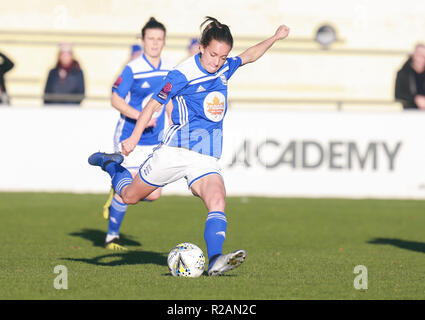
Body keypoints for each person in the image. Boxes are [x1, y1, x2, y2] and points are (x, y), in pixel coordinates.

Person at [89, 17, 290, 276]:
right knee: (130, 196)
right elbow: (153, 105)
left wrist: (274, 38)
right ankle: (109, 164)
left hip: (205, 156)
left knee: (217, 200)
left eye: (223, 56)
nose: (217, 61)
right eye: (213, 55)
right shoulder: (182, 74)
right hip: (174, 152)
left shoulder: (224, 67)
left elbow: (249, 56)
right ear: (201, 48)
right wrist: (134, 137)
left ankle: (216, 259)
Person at [101, 17, 174, 251]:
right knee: (129, 190)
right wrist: (139, 116)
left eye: (159, 39)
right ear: (143, 40)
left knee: (153, 195)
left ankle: (116, 181)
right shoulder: (133, 68)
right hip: (130, 137)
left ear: (164, 41)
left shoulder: (170, 69)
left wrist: (172, 124)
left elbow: (169, 101)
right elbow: (115, 99)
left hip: (155, 141)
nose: (155, 43)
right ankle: (112, 236)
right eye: (150, 38)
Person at [395, 43, 425, 110]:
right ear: (413, 56)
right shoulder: (403, 73)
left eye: (423, 56)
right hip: (409, 113)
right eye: (419, 55)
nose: (421, 59)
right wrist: (415, 99)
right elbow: (398, 95)